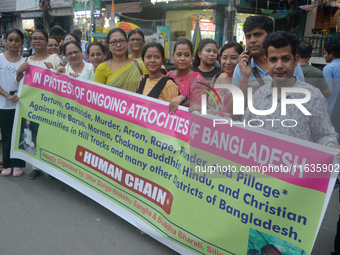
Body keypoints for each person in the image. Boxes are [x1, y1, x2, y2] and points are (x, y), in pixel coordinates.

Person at [244, 31, 338, 147]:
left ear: (296, 61)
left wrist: (332, 148)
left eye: (285, 59)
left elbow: (324, 135)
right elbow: (247, 130)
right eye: (273, 60)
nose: (279, 65)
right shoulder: (259, 96)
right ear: (266, 62)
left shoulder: (313, 97)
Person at [229, 15, 305, 120]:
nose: (252, 40)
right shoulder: (241, 67)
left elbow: (301, 101)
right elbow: (234, 114)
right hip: (250, 131)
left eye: (258, 35)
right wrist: (245, 77)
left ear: (269, 36)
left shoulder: (288, 65)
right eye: (248, 36)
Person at [16, 29, 62, 179]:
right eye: (34, 38)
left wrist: (53, 71)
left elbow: (63, 80)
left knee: (51, 136)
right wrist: (19, 72)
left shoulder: (54, 58)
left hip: (51, 105)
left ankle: (52, 168)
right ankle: (36, 167)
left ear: (47, 41)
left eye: (41, 38)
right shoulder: (26, 60)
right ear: (30, 42)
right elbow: (19, 83)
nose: (37, 41)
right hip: (32, 106)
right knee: (34, 136)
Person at [0, 28, 26, 176]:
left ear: (22, 42)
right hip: (3, 104)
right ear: (6, 41)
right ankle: (7, 164)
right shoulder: (0, 58)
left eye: (17, 40)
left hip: (20, 104)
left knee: (20, 134)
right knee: (7, 134)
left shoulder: (26, 62)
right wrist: (6, 95)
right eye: (11, 40)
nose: (14, 43)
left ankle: (18, 164)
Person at [94, 28, 144, 92]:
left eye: (122, 41)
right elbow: (97, 94)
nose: (118, 45)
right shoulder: (102, 68)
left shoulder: (139, 64)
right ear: (108, 46)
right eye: (114, 42)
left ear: (127, 43)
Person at [167, 38, 205, 114]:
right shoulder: (169, 75)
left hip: (186, 122)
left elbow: (199, 109)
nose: (182, 58)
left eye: (187, 55)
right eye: (179, 55)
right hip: (167, 121)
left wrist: (183, 98)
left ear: (192, 57)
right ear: (173, 56)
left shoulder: (197, 79)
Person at [206, 42, 243, 117]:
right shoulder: (216, 78)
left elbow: (240, 115)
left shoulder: (243, 82)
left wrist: (217, 114)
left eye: (233, 58)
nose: (228, 62)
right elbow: (209, 105)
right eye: (225, 58)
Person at [323, 40, 340, 116]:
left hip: (330, 109)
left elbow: (327, 91)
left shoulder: (328, 68)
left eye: (325, 53)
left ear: (332, 54)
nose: (324, 56)